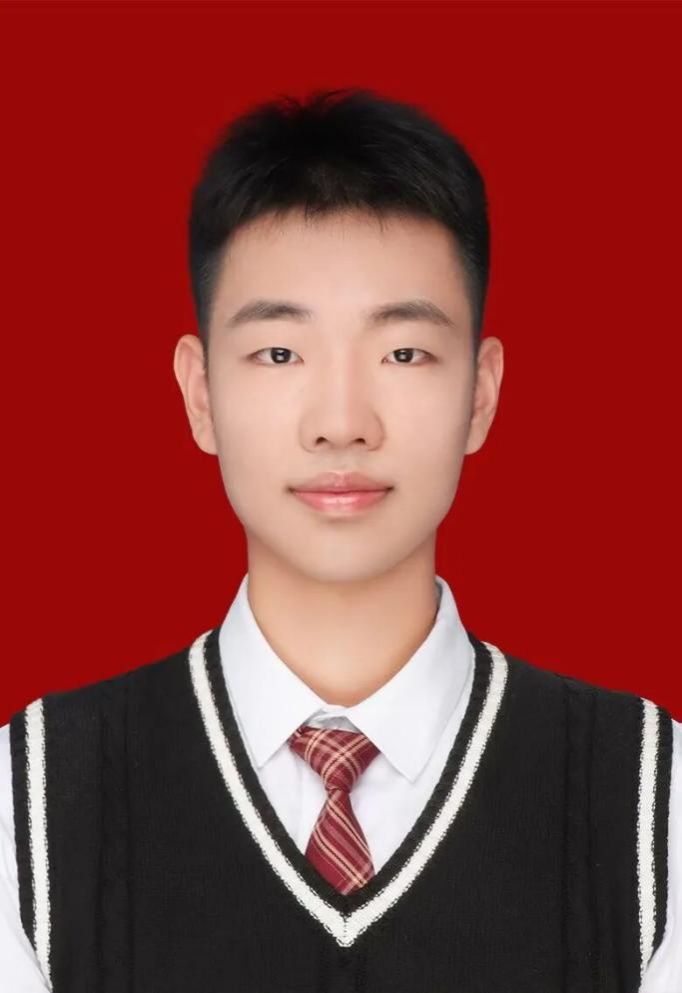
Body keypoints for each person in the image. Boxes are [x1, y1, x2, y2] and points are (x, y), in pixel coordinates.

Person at [0, 87, 679, 993]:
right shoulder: (30, 806)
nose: (343, 421)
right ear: (200, 394)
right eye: (280, 353)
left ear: (481, 393)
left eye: (404, 352)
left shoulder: (651, 802)